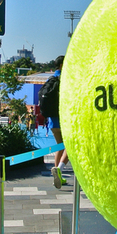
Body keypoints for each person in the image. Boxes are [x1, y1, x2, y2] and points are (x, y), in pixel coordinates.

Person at [48, 56, 69, 189]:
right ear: (62, 65)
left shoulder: (50, 79)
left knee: (59, 147)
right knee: (69, 148)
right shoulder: (65, 78)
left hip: (52, 120)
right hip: (63, 119)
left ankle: (57, 175)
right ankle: (59, 169)